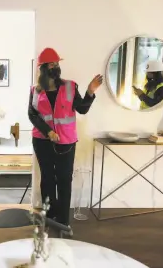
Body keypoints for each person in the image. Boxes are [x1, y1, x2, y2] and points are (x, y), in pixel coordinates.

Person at [28, 47, 102, 238]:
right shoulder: (35, 91)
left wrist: (90, 91)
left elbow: (82, 109)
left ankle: (63, 221)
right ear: (43, 68)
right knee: (47, 178)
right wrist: (48, 132)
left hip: (66, 142)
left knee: (63, 179)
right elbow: (32, 115)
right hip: (42, 140)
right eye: (52, 64)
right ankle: (48, 215)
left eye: (57, 64)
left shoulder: (70, 87)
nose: (56, 67)